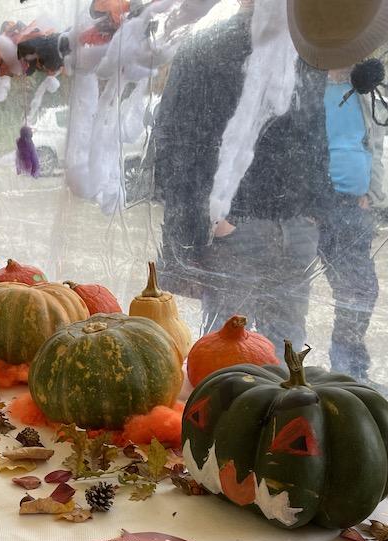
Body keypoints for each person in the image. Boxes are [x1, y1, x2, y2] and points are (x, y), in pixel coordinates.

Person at [153, 0, 333, 351]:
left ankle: (281, 407)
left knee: (288, 345)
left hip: (295, 228)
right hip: (234, 230)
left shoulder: (305, 52)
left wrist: (313, 212)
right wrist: (211, 220)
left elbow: (314, 136)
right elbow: (176, 140)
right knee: (227, 352)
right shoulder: (209, 46)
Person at [318, 65, 386, 385]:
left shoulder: (364, 89)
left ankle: (349, 375)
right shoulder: (309, 85)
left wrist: (370, 192)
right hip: (315, 205)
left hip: (353, 206)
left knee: (361, 290)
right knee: (288, 290)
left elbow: (374, 145)